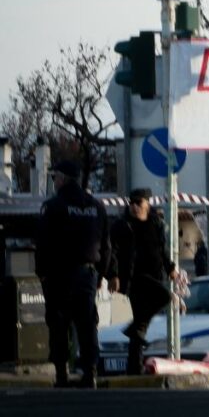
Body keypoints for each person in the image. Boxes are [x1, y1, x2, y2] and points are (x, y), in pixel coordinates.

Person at [35, 159, 111, 388]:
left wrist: (43, 275)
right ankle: (90, 373)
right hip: (87, 275)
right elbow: (105, 244)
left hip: (59, 274)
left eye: (54, 177)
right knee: (87, 324)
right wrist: (102, 274)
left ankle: (62, 374)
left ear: (63, 179)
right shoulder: (97, 207)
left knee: (59, 324)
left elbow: (43, 243)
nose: (53, 181)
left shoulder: (54, 206)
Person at [108, 188, 177, 376]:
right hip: (133, 278)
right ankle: (134, 354)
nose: (134, 207)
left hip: (154, 276)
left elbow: (161, 249)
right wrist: (113, 275)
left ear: (148, 203)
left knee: (140, 325)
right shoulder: (122, 225)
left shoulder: (155, 223)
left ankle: (134, 367)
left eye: (139, 203)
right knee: (164, 297)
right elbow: (111, 251)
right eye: (131, 203)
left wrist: (170, 268)